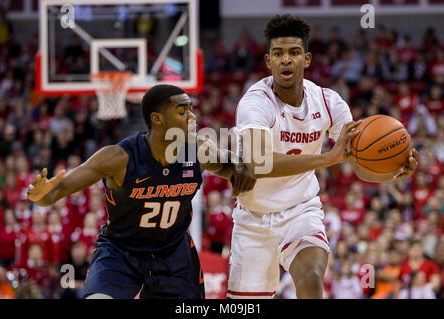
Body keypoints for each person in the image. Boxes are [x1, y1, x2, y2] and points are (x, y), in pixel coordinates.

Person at [229, 14, 418, 299]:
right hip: (253, 218)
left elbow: (357, 162)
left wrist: (389, 173)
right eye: (278, 53)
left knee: (312, 280)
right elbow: (258, 163)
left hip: (300, 210)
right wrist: (327, 159)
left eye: (294, 53)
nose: (285, 60)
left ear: (306, 59)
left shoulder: (329, 103)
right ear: (268, 61)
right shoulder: (255, 102)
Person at [26, 84, 256, 299]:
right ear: (157, 119)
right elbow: (58, 190)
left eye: (191, 110)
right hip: (121, 251)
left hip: (173, 253)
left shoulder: (198, 151)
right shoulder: (118, 158)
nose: (193, 118)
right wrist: (42, 196)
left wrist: (241, 167)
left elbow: (231, 165)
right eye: (182, 112)